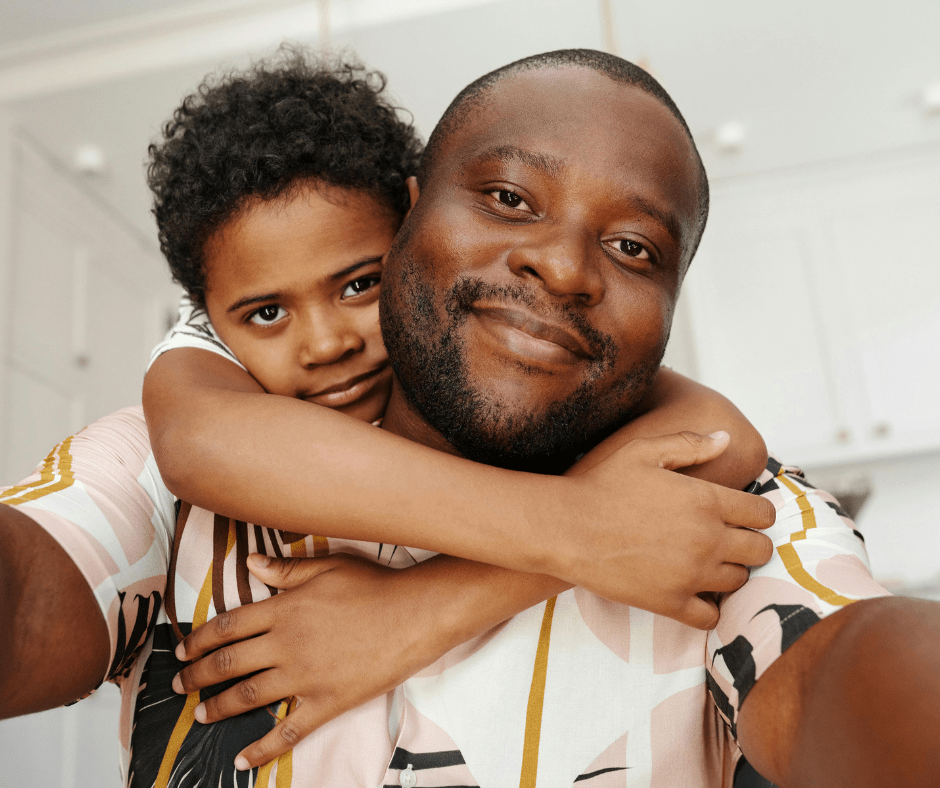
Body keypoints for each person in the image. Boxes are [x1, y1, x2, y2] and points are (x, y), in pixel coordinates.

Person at [3, 47, 933, 787]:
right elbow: (35, 595)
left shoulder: (712, 503)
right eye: (508, 198)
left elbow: (843, 671)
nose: (565, 269)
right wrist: (569, 534)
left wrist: (429, 605)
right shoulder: (161, 464)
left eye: (633, 246)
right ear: (412, 215)